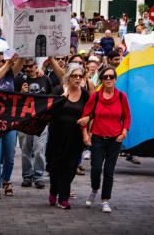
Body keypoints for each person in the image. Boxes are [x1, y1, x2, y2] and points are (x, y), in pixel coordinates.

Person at [78, 66, 131, 213]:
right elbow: (85, 115)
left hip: (115, 140)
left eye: (111, 77)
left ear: (115, 79)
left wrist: (124, 131)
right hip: (98, 139)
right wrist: (85, 134)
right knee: (95, 168)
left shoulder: (121, 97)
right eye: (105, 77)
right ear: (101, 79)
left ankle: (105, 200)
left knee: (109, 171)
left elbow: (127, 117)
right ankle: (95, 189)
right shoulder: (95, 96)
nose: (108, 79)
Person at [46, 63, 89, 209]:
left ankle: (63, 198)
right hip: (57, 136)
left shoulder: (84, 94)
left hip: (75, 137)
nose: (77, 79)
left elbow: (91, 111)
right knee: (55, 166)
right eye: (74, 76)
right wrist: (61, 99)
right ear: (68, 77)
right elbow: (48, 111)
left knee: (70, 167)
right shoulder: (58, 90)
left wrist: (88, 119)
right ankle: (53, 191)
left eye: (80, 76)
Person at [0, 52, 24, 200]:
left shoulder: (10, 75)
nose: (6, 62)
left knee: (10, 157)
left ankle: (6, 180)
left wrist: (22, 52)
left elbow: (20, 62)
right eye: (2, 61)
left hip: (9, 122)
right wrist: (8, 63)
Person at [15, 58, 52, 189]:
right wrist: (21, 93)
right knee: (25, 149)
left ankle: (39, 176)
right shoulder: (20, 80)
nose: (28, 69)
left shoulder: (45, 79)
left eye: (31, 66)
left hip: (40, 121)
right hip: (24, 121)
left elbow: (51, 99)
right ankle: (27, 176)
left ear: (37, 66)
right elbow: (14, 101)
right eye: (26, 67)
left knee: (39, 150)